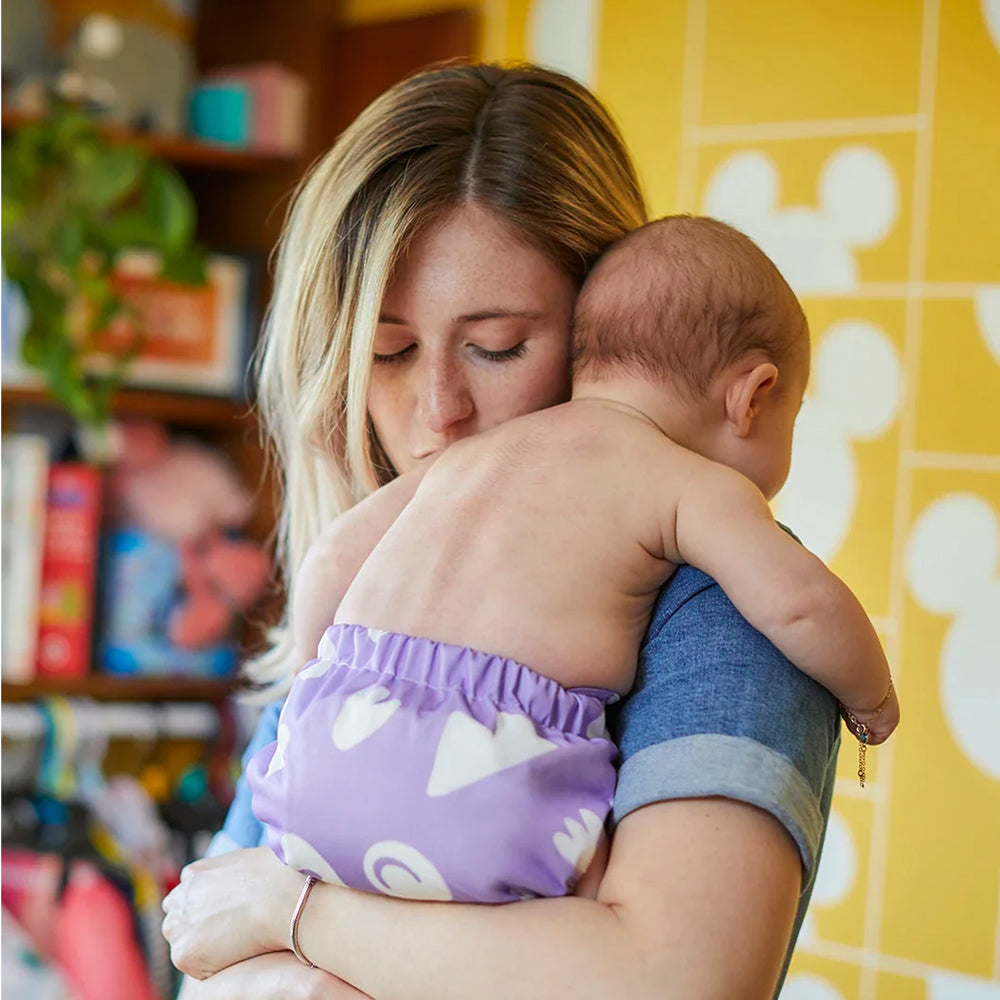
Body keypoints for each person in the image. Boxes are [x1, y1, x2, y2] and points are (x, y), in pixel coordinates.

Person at [162, 62, 845, 1000]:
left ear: (606, 340)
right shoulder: (366, 612)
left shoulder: (722, 613)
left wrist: (299, 918)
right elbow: (204, 950)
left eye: (497, 347)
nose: (438, 409)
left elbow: (680, 982)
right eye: (388, 351)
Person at [245, 215, 897, 909]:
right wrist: (872, 697)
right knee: (581, 917)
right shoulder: (684, 483)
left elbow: (329, 558)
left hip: (325, 756)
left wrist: (309, 700)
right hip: (485, 787)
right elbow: (796, 601)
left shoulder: (468, 458)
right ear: (752, 396)